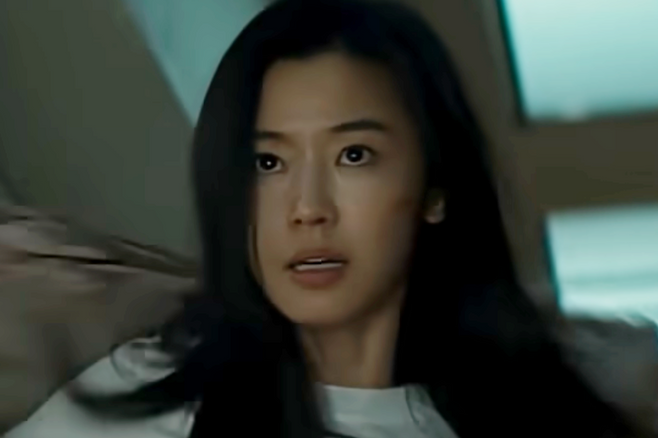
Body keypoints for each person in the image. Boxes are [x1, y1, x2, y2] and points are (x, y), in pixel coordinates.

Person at [5, 0, 642, 437]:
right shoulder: (152, 398)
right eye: (267, 162)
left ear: (435, 188)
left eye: (353, 155)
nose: (307, 208)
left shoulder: (548, 408)